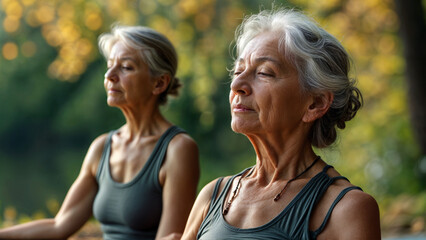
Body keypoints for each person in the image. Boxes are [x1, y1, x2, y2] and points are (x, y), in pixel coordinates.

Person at [180, 8, 381, 240]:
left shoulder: (344, 209)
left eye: (264, 73)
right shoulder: (212, 197)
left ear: (315, 103)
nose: (237, 84)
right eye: (238, 70)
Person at [0, 25, 200, 240]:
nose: (110, 75)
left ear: (159, 83)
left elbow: (171, 237)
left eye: (126, 67)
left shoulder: (177, 149)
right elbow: (59, 226)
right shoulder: (102, 147)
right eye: (110, 66)